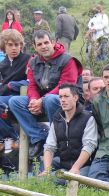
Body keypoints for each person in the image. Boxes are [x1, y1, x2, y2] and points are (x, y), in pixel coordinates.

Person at [9, 31, 82, 159]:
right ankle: (38, 137)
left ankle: (58, 139)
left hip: (69, 101)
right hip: (43, 101)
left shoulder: (68, 60)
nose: (44, 46)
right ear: (35, 47)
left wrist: (41, 100)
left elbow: (66, 86)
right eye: (40, 44)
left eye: (46, 42)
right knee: (14, 101)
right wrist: (33, 100)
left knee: (50, 99)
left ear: (53, 42)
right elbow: (31, 85)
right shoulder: (33, 62)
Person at [40, 84, 97, 177]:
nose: (62, 100)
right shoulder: (57, 119)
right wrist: (47, 170)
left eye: (66, 96)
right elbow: (49, 146)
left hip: (85, 166)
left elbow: (89, 146)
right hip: (63, 164)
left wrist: (75, 168)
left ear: (75, 97)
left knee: (72, 179)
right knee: (42, 177)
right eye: (60, 97)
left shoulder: (88, 118)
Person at [0, 29, 29, 144]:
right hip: (4, 100)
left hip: (21, 97)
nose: (14, 48)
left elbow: (30, 82)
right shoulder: (2, 65)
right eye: (10, 45)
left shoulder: (28, 59)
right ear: (4, 46)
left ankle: (11, 137)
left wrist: (11, 85)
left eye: (17, 45)